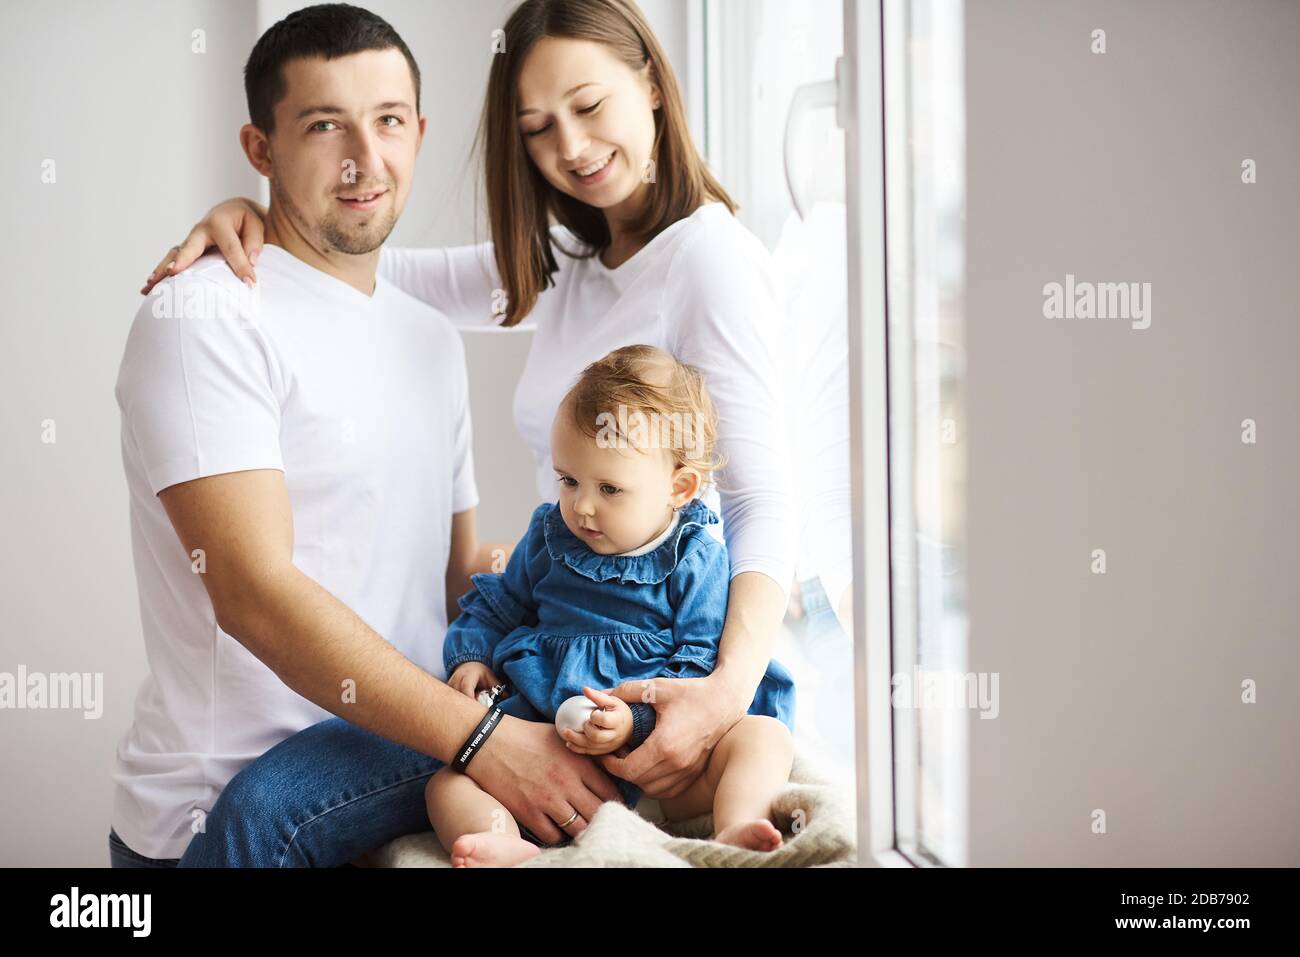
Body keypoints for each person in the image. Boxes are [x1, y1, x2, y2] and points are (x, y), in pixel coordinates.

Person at [141, 0, 798, 840]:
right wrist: (256, 216)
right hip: (559, 631)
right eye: (537, 127)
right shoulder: (574, 264)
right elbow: (361, 258)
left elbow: (760, 501)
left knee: (270, 807)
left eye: (590, 106)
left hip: (675, 651)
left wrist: (723, 693)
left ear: (653, 85)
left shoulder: (706, 258)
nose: (571, 148)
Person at [111, 3, 620, 869]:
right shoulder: (205, 311)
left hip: (396, 760)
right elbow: (254, 593)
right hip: (230, 813)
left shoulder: (424, 332)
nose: (365, 159)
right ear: (260, 150)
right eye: (323, 126)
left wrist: (597, 574)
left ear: (418, 131)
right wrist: (484, 737)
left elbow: (455, 579)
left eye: (387, 122)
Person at [427, 345, 795, 866]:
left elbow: (698, 659)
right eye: (569, 480)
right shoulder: (550, 536)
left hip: (670, 770)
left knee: (765, 738)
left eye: (609, 488)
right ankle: (508, 841)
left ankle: (734, 826)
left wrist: (637, 721)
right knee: (447, 785)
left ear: (680, 487)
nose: (581, 506)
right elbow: (499, 605)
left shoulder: (694, 558)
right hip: (552, 746)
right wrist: (470, 657)